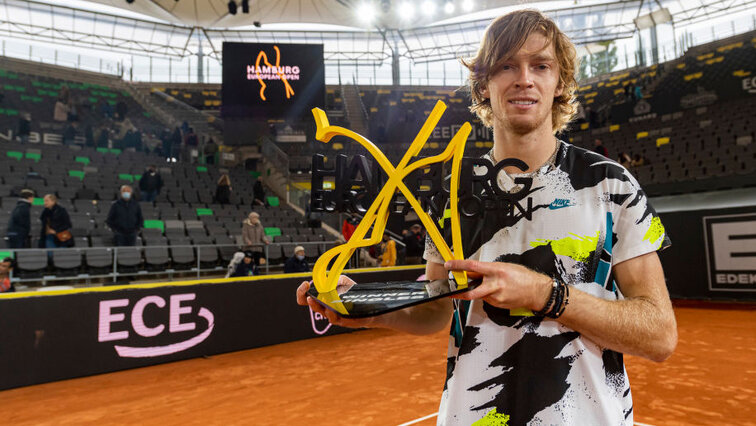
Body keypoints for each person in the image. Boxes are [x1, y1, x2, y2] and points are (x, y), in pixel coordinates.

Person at [297, 10, 676, 425]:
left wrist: (546, 295)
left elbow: (659, 333)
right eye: (506, 66)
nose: (524, 79)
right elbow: (436, 310)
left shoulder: (610, 184)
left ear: (560, 82)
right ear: (483, 84)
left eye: (541, 65)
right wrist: (367, 308)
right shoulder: (452, 190)